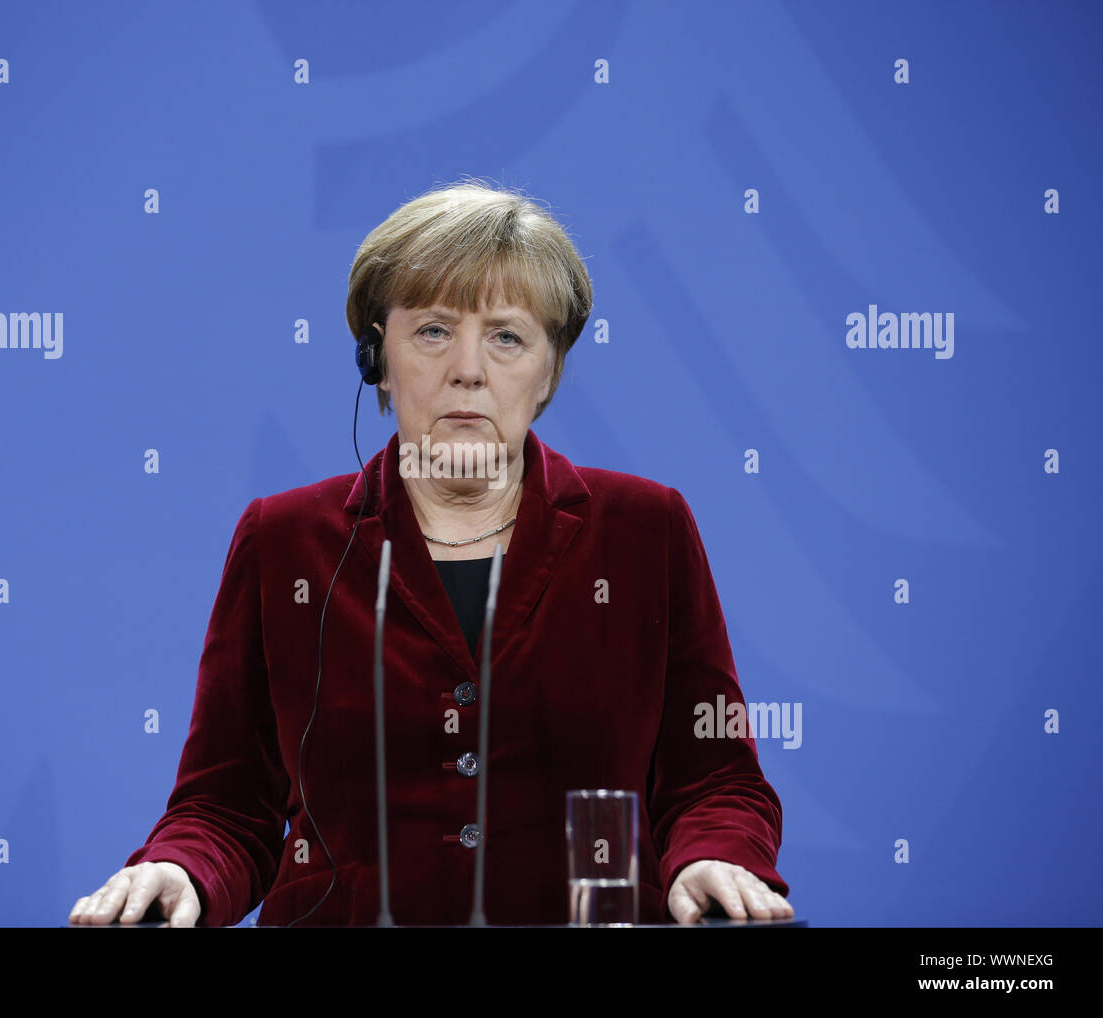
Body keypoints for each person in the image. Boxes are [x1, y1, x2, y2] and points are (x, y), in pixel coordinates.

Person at [70, 179, 793, 928]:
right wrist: (180, 868)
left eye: (507, 337)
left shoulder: (647, 531)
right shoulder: (283, 540)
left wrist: (717, 854)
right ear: (376, 358)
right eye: (434, 331)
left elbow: (717, 781)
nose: (469, 370)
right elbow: (224, 802)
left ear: (548, 372)